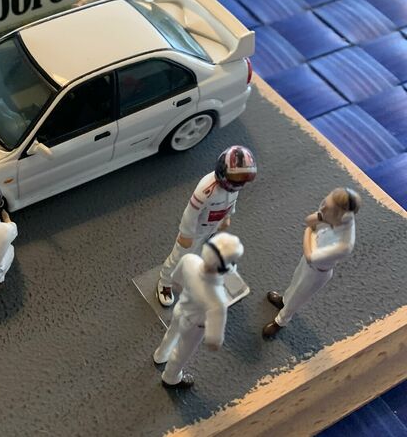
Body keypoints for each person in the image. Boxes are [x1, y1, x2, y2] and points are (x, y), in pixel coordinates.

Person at [157, 146, 257, 307]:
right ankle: (164, 282)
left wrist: (227, 217)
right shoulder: (206, 189)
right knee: (178, 257)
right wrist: (186, 234)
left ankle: (191, 275)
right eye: (237, 178)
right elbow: (190, 213)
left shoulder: (234, 188)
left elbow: (232, 202)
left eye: (243, 179)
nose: (240, 182)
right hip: (196, 230)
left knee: (200, 253)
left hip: (213, 227)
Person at [262, 187, 360, 338]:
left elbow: (311, 255)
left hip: (317, 272)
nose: (322, 209)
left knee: (298, 297)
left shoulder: (344, 244)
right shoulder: (329, 214)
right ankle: (284, 301)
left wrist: (309, 231)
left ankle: (281, 321)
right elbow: (309, 220)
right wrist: (313, 229)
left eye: (327, 208)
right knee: (295, 282)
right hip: (310, 262)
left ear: (343, 216)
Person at [153, 233, 244, 389]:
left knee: (171, 333)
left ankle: (161, 354)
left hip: (181, 307)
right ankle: (171, 377)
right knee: (182, 353)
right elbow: (214, 340)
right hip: (195, 326)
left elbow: (175, 281)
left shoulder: (189, 260)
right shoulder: (217, 300)